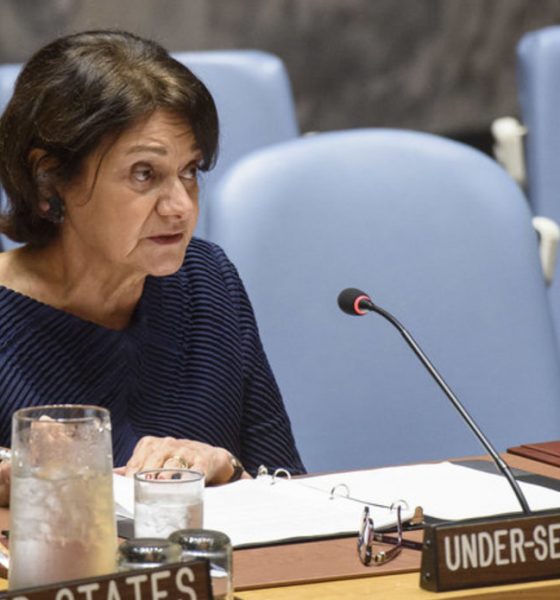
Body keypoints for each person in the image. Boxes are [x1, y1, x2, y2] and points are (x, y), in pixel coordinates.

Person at [0, 30, 305, 505]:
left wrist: (227, 467)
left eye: (190, 171)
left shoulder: (207, 281)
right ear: (49, 180)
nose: (181, 206)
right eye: (145, 174)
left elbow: (290, 490)